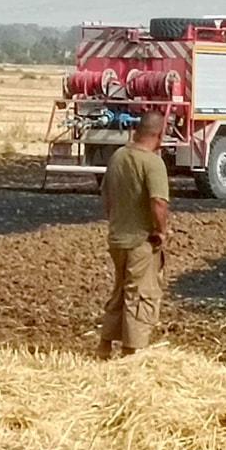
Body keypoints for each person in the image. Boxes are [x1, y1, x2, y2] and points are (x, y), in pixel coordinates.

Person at [97, 110, 170, 360]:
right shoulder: (152, 163)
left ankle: (105, 346)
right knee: (139, 295)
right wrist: (160, 232)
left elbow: (106, 195)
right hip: (141, 241)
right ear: (159, 134)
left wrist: (116, 221)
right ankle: (131, 352)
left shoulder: (118, 156)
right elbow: (158, 202)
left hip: (117, 238)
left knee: (119, 291)